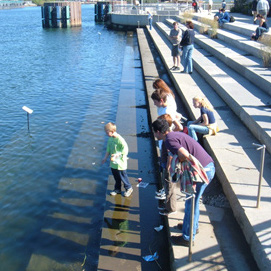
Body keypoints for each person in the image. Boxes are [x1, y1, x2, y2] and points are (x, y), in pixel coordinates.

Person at [152, 119, 215, 247]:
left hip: (203, 171)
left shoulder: (169, 140)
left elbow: (184, 154)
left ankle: (187, 238)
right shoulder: (174, 134)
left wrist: (177, 162)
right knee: (192, 201)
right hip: (208, 165)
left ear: (159, 132)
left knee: (191, 203)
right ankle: (192, 227)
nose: (154, 135)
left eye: (155, 132)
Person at [102, 122, 133, 197]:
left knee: (123, 176)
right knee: (116, 176)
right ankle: (117, 189)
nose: (106, 134)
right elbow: (108, 150)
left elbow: (125, 149)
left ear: (112, 131)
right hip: (113, 163)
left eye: (107, 132)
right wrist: (105, 158)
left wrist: (117, 154)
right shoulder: (110, 139)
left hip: (120, 163)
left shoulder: (120, 140)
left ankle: (129, 188)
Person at [156, 114, 177, 216]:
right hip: (165, 164)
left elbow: (170, 154)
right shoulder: (167, 137)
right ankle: (170, 206)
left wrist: (168, 167)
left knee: (169, 187)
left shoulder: (168, 139)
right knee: (169, 187)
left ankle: (169, 208)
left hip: (168, 166)